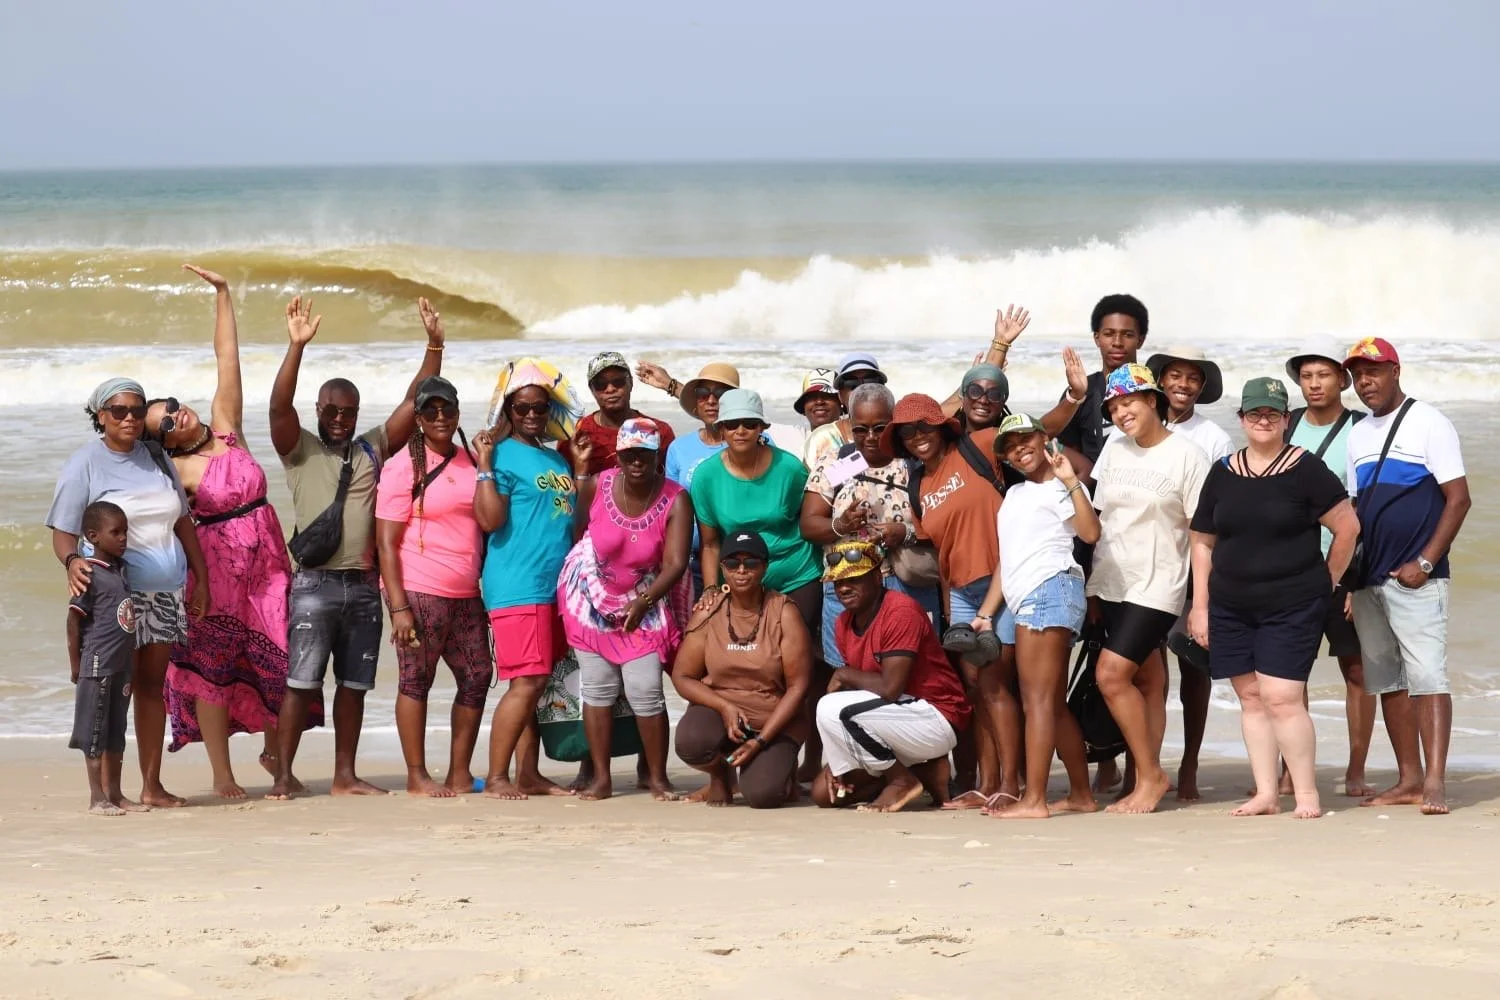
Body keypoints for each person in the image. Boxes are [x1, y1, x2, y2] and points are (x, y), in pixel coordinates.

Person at [143, 264, 312, 800]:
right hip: (214, 577)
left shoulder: (226, 426)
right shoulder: (175, 472)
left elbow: (227, 358)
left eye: (170, 405)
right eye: (165, 423)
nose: (175, 414)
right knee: (213, 672)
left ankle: (273, 752)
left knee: (282, 658)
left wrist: (223, 294)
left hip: (268, 565)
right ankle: (222, 775)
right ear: (164, 445)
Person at [265, 295, 443, 799]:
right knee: (301, 682)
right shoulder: (299, 448)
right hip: (314, 585)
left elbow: (417, 400)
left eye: (348, 411)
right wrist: (296, 347)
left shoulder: (371, 447)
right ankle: (283, 775)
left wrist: (434, 345)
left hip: (364, 587)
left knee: (354, 686)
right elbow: (279, 406)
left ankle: (345, 775)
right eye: (331, 411)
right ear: (318, 411)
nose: (340, 419)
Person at [1187, 377, 1360, 820]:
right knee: (1250, 698)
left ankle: (1306, 795)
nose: (1263, 420)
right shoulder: (1223, 470)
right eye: (1254, 413)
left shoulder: (1305, 467)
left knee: (1282, 696)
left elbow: (1348, 527)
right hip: (1230, 603)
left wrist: (1328, 580)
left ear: (1287, 419)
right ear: (1242, 418)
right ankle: (1266, 792)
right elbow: (1203, 540)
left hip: (1293, 601)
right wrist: (1200, 606)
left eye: (1272, 414)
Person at [48, 377, 211, 809]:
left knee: (153, 686)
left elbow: (182, 522)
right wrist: (72, 562)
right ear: (100, 415)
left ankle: (152, 786)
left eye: (137, 411)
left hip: (164, 591)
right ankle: (106, 793)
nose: (130, 419)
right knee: (114, 687)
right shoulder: (84, 462)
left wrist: (202, 577)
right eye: (119, 411)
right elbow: (64, 532)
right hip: (114, 597)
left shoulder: (156, 456)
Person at [1343, 338, 1470, 815]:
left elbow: (1458, 499)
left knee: (1427, 676)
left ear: (1396, 371)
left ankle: (1435, 782)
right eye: (1357, 375)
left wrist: (1426, 562)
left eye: (1373, 371)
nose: (1365, 382)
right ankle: (1408, 779)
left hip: (1417, 576)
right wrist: (1351, 579)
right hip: (1372, 577)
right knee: (1389, 681)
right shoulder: (1357, 435)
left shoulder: (1429, 422)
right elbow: (1358, 509)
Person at [883, 392, 1018, 806]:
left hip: (1003, 582)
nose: (917, 437)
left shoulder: (976, 447)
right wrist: (947, 608)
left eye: (924, 426)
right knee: (976, 688)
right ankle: (986, 783)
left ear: (941, 426)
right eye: (907, 432)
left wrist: (1073, 396)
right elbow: (942, 550)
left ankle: (1012, 785)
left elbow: (1035, 428)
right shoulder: (918, 483)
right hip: (959, 592)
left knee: (998, 683)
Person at [1087, 363, 1209, 814]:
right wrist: (1092, 588)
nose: (1121, 414)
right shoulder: (1113, 450)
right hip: (1113, 580)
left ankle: (1151, 775)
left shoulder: (1188, 455)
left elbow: (1201, 534)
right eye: (1114, 407)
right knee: (1149, 678)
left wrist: (1202, 603)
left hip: (1159, 583)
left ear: (1153, 401)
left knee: (1110, 675)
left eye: (1129, 403)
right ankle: (1143, 776)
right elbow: (1102, 519)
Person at [969, 414, 1100, 818]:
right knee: (1051, 704)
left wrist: (1070, 480)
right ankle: (1081, 795)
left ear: (1044, 439)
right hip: (1029, 596)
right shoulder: (1015, 496)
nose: (1019, 448)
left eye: (1026, 438)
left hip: (1051, 591)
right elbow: (1007, 564)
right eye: (1009, 446)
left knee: (1038, 701)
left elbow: (1090, 533)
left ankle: (1035, 800)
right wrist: (986, 615)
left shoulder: (1059, 489)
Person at [559, 418, 694, 802]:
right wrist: (592, 588)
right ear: (619, 455)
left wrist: (644, 601)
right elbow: (577, 532)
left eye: (645, 455)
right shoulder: (598, 484)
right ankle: (602, 779)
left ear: (657, 456)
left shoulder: (676, 497)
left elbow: (676, 563)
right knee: (598, 689)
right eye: (630, 454)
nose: (637, 462)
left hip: (645, 598)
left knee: (646, 690)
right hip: (589, 600)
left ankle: (657, 778)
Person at [474, 358, 583, 801]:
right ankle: (498, 775)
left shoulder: (553, 455)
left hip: (554, 586)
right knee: (527, 681)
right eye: (523, 409)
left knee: (538, 682)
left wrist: (579, 471)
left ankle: (529, 774)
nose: (533, 415)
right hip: (518, 583)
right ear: (509, 411)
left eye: (540, 407)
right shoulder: (500, 453)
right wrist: (484, 462)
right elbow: (488, 518)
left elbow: (569, 522)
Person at [374, 375, 488, 798]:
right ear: (418, 417)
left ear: (457, 411)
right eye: (430, 410)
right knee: (415, 679)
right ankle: (417, 775)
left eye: (448, 408)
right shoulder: (402, 465)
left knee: (477, 676)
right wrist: (399, 608)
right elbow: (385, 542)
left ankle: (460, 773)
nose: (440, 416)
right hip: (420, 589)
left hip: (466, 592)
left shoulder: (470, 459)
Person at [812, 539, 973, 812]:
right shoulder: (843, 622)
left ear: (877, 577)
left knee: (828, 706)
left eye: (854, 579)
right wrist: (838, 756)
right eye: (837, 583)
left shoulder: (900, 611)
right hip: (891, 720)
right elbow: (859, 694)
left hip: (935, 717)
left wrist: (844, 673)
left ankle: (900, 781)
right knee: (824, 794)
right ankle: (928, 774)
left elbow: (890, 687)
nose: (844, 588)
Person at [1284, 343, 1375, 796]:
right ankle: (1288, 770)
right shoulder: (1287, 424)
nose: (1315, 383)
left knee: (1357, 671)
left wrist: (1360, 583)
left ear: (1343, 380)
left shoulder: (1360, 428)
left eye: (1324, 375)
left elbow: (1368, 507)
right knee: (1287, 673)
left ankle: (1356, 767)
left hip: (1346, 570)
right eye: (1306, 376)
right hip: (1293, 568)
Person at [801, 383, 939, 669]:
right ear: (849, 426)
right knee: (846, 672)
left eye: (880, 427)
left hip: (907, 581)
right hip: (847, 584)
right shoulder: (843, 464)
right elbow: (809, 525)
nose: (871, 437)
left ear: (894, 422)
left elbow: (946, 525)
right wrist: (841, 525)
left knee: (916, 674)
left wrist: (906, 534)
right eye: (861, 429)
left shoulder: (914, 464)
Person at [1144, 347, 1231, 803]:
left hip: (1194, 564)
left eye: (1192, 379)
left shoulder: (1213, 437)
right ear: (1160, 380)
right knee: (1147, 669)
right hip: (1143, 564)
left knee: (1194, 669)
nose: (1182, 384)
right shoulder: (1138, 423)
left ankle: (1190, 763)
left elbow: (1221, 507)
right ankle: (1146, 766)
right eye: (1174, 375)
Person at [672, 530, 812, 808]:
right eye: (733, 563)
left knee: (763, 796)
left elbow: (799, 687)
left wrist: (760, 740)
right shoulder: (708, 612)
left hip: (773, 718)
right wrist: (724, 707)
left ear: (765, 567)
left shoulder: (784, 612)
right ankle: (721, 776)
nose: (741, 570)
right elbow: (682, 676)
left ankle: (782, 770)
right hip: (723, 712)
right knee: (691, 742)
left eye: (751, 563)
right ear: (722, 568)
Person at [66, 501, 150, 815]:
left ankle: (115, 793)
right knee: (95, 731)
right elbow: (73, 621)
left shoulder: (121, 570)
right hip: (98, 664)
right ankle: (96, 797)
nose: (123, 538)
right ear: (93, 536)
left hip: (122, 665)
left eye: (126, 531)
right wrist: (76, 664)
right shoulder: (89, 573)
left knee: (116, 730)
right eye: (116, 532)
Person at [1043, 293, 1150, 478]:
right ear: (1097, 338)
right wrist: (1075, 396)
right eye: (1109, 334)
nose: (1117, 342)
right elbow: (1050, 442)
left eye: (1127, 335)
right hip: (1096, 498)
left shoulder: (1153, 390)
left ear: (1140, 340)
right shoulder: (1084, 391)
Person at [561, 351, 676, 476]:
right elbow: (564, 489)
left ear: (631, 383)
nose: (610, 389)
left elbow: (670, 486)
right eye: (600, 384)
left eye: (618, 381)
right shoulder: (576, 436)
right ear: (592, 389)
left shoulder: (659, 432)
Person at [939, 306, 1031, 425]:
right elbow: (935, 416)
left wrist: (1001, 344)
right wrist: (1000, 343)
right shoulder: (949, 435)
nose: (983, 400)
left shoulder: (1008, 438)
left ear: (1003, 401)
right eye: (974, 391)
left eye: (994, 395)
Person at [799, 366, 855, 472]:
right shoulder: (793, 446)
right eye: (811, 397)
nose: (819, 402)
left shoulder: (862, 437)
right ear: (803, 406)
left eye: (828, 396)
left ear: (840, 401)